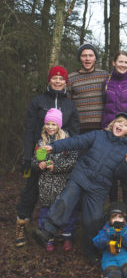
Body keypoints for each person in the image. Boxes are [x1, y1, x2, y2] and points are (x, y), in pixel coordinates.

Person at [32, 112, 127, 266]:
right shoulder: (98, 135)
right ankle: (46, 231)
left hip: (99, 187)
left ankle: (91, 251)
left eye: (125, 125)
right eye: (119, 122)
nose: (120, 126)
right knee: (66, 199)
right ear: (113, 123)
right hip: (81, 176)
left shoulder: (125, 151)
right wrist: (53, 147)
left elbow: (118, 174)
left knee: (93, 220)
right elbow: (76, 142)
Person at [15, 66, 80, 248]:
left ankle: (60, 230)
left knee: (62, 194)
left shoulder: (70, 105)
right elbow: (30, 130)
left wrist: (74, 157)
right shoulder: (38, 101)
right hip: (40, 152)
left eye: (61, 78)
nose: (58, 81)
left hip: (62, 157)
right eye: (54, 78)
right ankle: (21, 224)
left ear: (66, 82)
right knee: (31, 191)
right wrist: (28, 156)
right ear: (49, 80)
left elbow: (75, 133)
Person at [31, 108, 79, 252]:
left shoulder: (67, 141)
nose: (50, 127)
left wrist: (56, 166)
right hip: (45, 183)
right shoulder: (40, 142)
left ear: (59, 125)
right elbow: (34, 160)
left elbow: (73, 160)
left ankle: (67, 237)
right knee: (46, 211)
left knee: (66, 211)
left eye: (53, 124)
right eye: (48, 124)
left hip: (63, 183)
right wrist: (39, 164)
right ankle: (48, 238)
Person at [68, 43, 109, 133]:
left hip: (101, 127)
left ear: (95, 58)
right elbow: (67, 105)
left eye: (91, 55)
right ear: (80, 58)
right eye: (84, 56)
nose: (87, 59)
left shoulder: (104, 76)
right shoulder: (71, 78)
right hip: (79, 128)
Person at [102, 51, 127, 132]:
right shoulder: (107, 82)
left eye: (126, 62)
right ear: (114, 63)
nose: (123, 65)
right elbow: (104, 107)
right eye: (120, 61)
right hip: (109, 128)